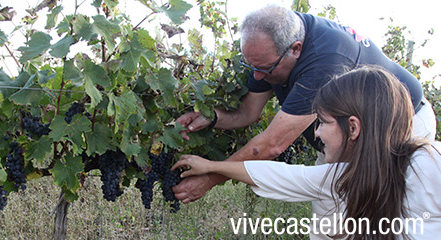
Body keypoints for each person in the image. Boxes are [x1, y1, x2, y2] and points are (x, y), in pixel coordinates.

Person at [173, 4, 436, 204]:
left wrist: (210, 178)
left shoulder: (325, 62)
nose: (257, 77)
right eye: (250, 67)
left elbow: (273, 145)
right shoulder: (271, 53)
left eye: (264, 68)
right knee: (329, 211)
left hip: (401, 128)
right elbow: (249, 112)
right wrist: (212, 117)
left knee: (382, 211)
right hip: (343, 138)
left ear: (296, 49)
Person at [172, 66, 441, 239]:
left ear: (353, 128)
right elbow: (280, 175)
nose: (317, 134)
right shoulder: (348, 176)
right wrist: (211, 167)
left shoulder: (429, 165)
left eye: (322, 123)